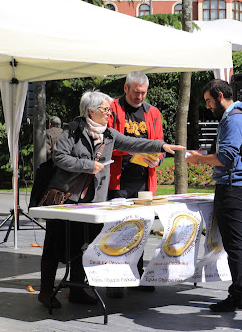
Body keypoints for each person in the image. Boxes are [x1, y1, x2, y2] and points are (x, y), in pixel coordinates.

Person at [37, 90, 184, 309]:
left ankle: (78, 289)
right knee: (54, 243)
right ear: (91, 111)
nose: (109, 113)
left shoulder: (108, 134)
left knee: (84, 244)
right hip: (66, 199)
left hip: (93, 201)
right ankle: (46, 292)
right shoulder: (72, 131)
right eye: (105, 109)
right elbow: (59, 157)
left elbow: (132, 143)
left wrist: (160, 146)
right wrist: (88, 165)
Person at [186, 79, 242, 313]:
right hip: (241, 185)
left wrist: (199, 159)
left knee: (236, 245)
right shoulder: (240, 115)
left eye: (208, 101)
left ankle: (239, 296)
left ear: (219, 95)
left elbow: (226, 158)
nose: (207, 106)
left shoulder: (233, 119)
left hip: (233, 188)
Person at [106, 71, 163, 296]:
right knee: (117, 230)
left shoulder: (153, 112)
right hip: (117, 180)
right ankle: (115, 280)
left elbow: (159, 144)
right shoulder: (111, 108)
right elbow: (108, 142)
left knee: (141, 229)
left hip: (143, 182)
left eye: (143, 93)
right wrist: (134, 149)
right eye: (136, 92)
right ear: (126, 89)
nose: (139, 97)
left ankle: (136, 274)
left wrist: (157, 158)